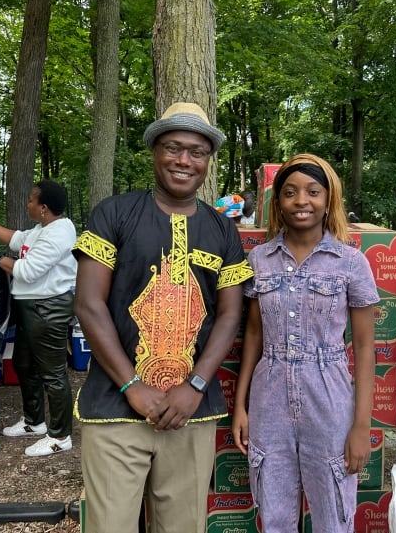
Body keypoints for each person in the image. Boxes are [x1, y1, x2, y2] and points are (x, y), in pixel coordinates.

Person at [72, 102, 254, 533]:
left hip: (191, 411)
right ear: (154, 150)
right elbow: (88, 305)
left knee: (182, 527)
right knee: (110, 525)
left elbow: (230, 314)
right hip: (116, 405)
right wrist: (133, 386)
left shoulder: (222, 229)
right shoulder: (113, 213)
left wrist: (195, 386)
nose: (184, 161)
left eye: (197, 151)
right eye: (173, 147)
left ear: (208, 161)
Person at [231, 153, 379, 533]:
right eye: (291, 192)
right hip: (269, 398)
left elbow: (364, 348)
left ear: (329, 199)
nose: (302, 201)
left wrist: (361, 426)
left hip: (328, 396)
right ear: (278, 202)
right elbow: (253, 333)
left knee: (333, 514)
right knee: (276, 516)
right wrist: (241, 406)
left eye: (313, 192)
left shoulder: (350, 262)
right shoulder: (260, 259)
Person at [0, 180, 77, 457]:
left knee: (52, 373)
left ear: (43, 208)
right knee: (23, 363)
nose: (27, 204)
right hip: (30, 307)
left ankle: (60, 435)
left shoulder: (59, 234)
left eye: (31, 200)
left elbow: (28, 271)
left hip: (48, 307)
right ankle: (34, 422)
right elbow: (16, 239)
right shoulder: (42, 228)